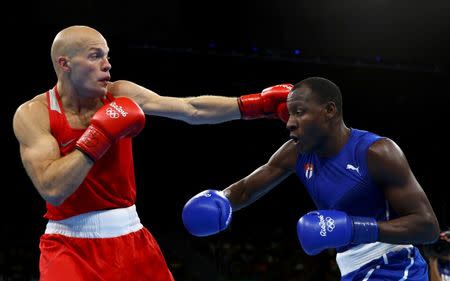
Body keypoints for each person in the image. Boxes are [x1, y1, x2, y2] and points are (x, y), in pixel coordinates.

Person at [12, 25, 293, 281]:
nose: (107, 65)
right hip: (69, 248)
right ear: (65, 64)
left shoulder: (119, 93)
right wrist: (100, 135)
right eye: (95, 56)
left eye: (107, 56)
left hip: (131, 238)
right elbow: (53, 188)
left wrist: (257, 105)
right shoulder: (34, 114)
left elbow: (190, 109)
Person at [182, 76, 441, 280]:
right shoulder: (297, 152)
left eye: (299, 112)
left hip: (395, 266)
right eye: (289, 113)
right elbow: (248, 189)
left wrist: (353, 228)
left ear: (329, 110)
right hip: (353, 271)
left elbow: (428, 227)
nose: (289, 123)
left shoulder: (376, 152)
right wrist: (222, 199)